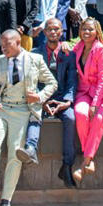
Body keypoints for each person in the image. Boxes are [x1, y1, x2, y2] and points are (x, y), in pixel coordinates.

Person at [0, 29, 57, 206]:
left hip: (23, 109)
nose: (3, 47)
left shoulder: (35, 60)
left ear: (18, 42)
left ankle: (6, 199)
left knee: (16, 152)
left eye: (7, 43)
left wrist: (39, 96)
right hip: (1, 108)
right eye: (1, 44)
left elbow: (52, 83)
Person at [25, 18, 78, 187]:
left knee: (70, 119)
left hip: (62, 99)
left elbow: (72, 80)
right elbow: (33, 82)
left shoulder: (69, 54)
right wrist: (42, 100)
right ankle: (30, 149)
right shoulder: (34, 53)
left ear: (62, 31)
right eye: (50, 29)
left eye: (57, 29)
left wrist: (68, 102)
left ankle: (67, 165)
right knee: (34, 114)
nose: (53, 32)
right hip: (42, 98)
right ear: (44, 32)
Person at [70, 17, 103, 183]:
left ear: (97, 32)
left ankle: (86, 161)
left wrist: (96, 103)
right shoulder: (79, 46)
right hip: (83, 92)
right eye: (84, 29)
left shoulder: (100, 50)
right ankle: (89, 160)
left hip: (102, 94)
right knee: (80, 114)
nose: (86, 32)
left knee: (100, 117)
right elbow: (68, 55)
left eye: (90, 29)